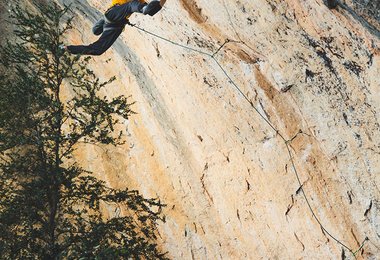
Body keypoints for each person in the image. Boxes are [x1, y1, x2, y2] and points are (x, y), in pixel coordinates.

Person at [61, 0, 166, 56]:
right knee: (132, 6)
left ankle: (67, 49)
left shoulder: (139, 2)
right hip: (113, 13)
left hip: (115, 25)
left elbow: (151, 9)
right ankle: (101, 24)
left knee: (98, 50)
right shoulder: (133, 3)